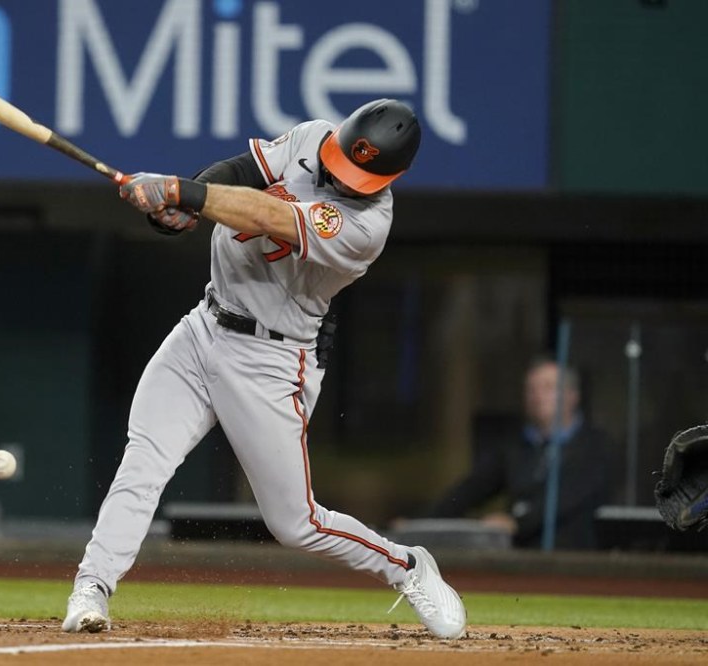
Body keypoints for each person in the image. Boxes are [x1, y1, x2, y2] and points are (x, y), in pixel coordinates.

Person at [61, 100, 466, 639]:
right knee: (144, 460)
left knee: (296, 524)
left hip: (271, 361)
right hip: (203, 327)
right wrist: (182, 207)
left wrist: (185, 193)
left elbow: (265, 214)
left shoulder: (366, 224)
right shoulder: (311, 138)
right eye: (345, 164)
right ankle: (93, 586)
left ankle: (408, 566)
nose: (346, 181)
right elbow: (240, 173)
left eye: (362, 177)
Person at [427, 356, 614, 550]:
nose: (538, 396)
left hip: (578, 563)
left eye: (548, 388)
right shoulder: (515, 445)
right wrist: (421, 523)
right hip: (522, 563)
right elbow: (471, 489)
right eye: (531, 389)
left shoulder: (596, 446)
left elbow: (566, 495)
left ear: (572, 395)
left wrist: (516, 521)